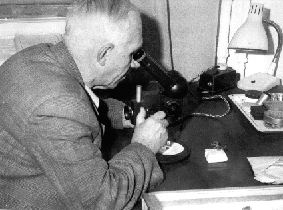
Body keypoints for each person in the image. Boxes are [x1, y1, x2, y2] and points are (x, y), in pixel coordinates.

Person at [0, 0, 169, 209]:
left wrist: (124, 114)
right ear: (104, 53)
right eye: (132, 53)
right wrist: (144, 146)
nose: (135, 64)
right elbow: (103, 200)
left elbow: (78, 97)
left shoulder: (37, 57)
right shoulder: (57, 106)